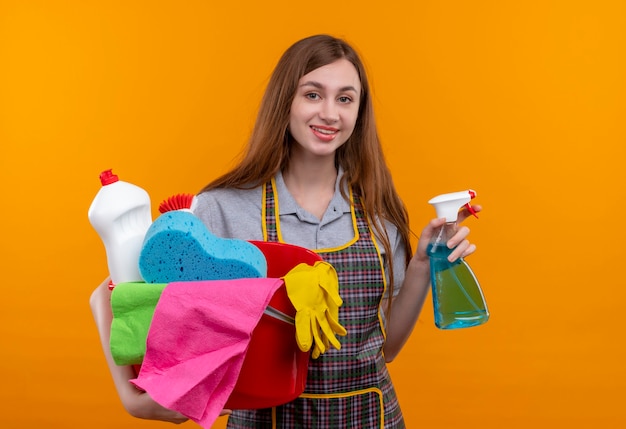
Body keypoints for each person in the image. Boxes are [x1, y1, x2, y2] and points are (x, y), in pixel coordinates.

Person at [90, 34, 481, 428]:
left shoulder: (378, 210)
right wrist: (131, 398)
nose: (330, 113)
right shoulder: (224, 207)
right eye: (313, 94)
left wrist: (420, 264)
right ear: (285, 102)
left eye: (345, 99)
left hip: (369, 417)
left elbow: (388, 348)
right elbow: (115, 296)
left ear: (359, 113)